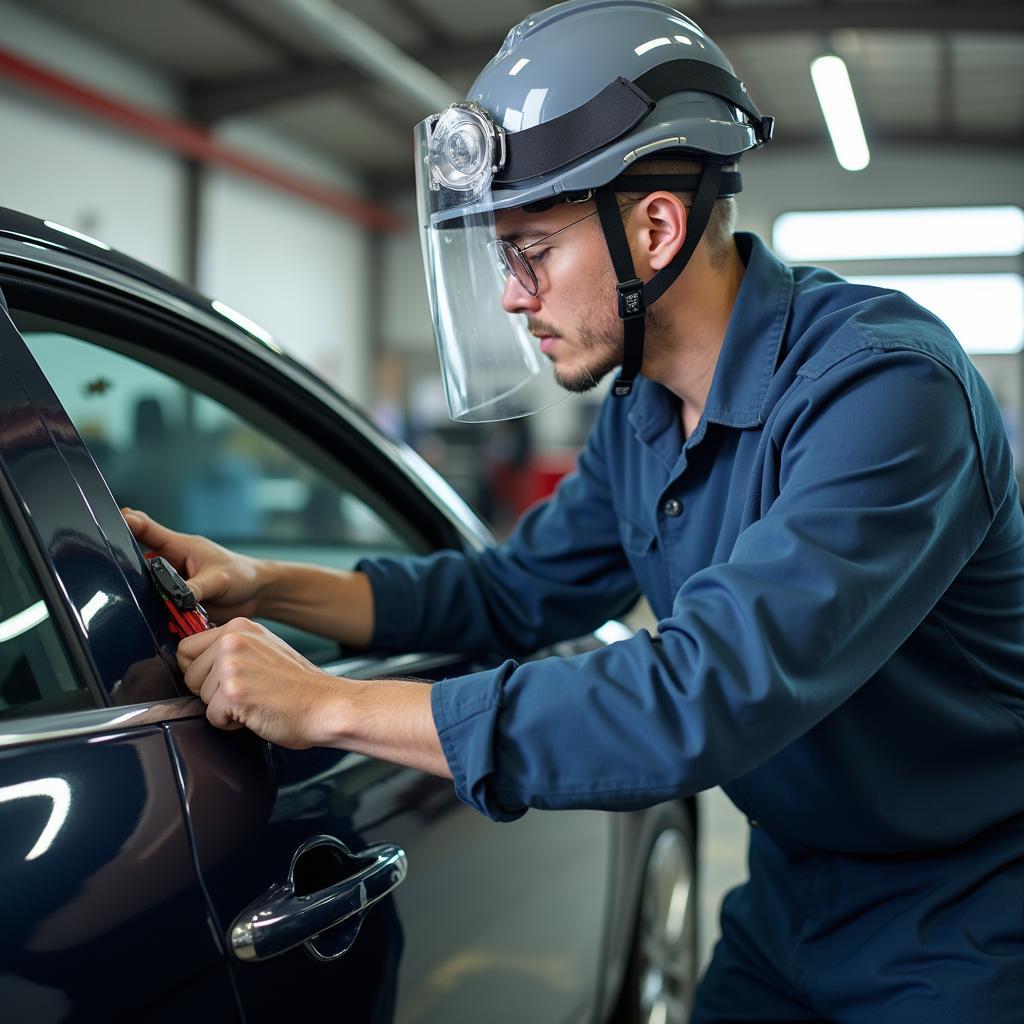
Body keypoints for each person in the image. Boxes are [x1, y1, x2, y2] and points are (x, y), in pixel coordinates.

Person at [124, 2, 1024, 1021]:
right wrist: (265, 583)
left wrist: (326, 704)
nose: (513, 297)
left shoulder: (885, 392)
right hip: (789, 897)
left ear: (654, 226)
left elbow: (703, 696)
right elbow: (513, 591)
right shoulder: (641, 411)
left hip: (967, 914)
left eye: (532, 250)